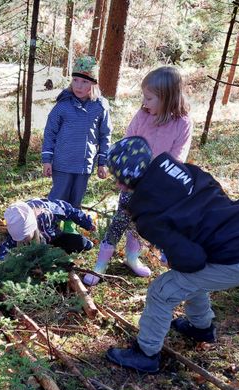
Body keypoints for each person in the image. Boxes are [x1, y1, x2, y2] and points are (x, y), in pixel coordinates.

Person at [104, 137, 239, 374]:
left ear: (124, 182)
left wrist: (173, 257)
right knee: (191, 277)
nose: (118, 185)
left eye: (117, 179)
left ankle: (146, 353)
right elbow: (210, 190)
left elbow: (192, 260)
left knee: (162, 291)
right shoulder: (178, 169)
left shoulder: (149, 216)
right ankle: (201, 327)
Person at [84, 66, 193, 285]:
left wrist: (155, 181)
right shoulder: (143, 116)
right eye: (144, 96)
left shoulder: (183, 123)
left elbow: (176, 159)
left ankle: (132, 258)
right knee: (120, 220)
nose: (144, 102)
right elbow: (128, 141)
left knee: (140, 225)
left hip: (156, 189)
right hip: (131, 185)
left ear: (167, 97)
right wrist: (122, 170)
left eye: (150, 98)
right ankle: (100, 264)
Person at [42, 56, 112, 233]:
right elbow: (50, 132)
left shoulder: (100, 107)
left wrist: (102, 162)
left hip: (84, 164)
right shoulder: (63, 105)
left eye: (84, 82)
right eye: (75, 80)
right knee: (59, 196)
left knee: (76, 198)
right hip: (62, 163)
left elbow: (105, 135)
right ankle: (50, 224)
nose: (78, 86)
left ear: (94, 84)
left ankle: (69, 226)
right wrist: (47, 159)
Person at [0, 199, 96, 261]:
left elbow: (70, 211)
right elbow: (6, 246)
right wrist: (1, 259)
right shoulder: (16, 224)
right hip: (32, 248)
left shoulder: (48, 210)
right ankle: (41, 257)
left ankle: (62, 252)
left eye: (25, 237)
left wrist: (87, 223)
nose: (23, 239)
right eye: (20, 239)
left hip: (54, 237)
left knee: (81, 243)